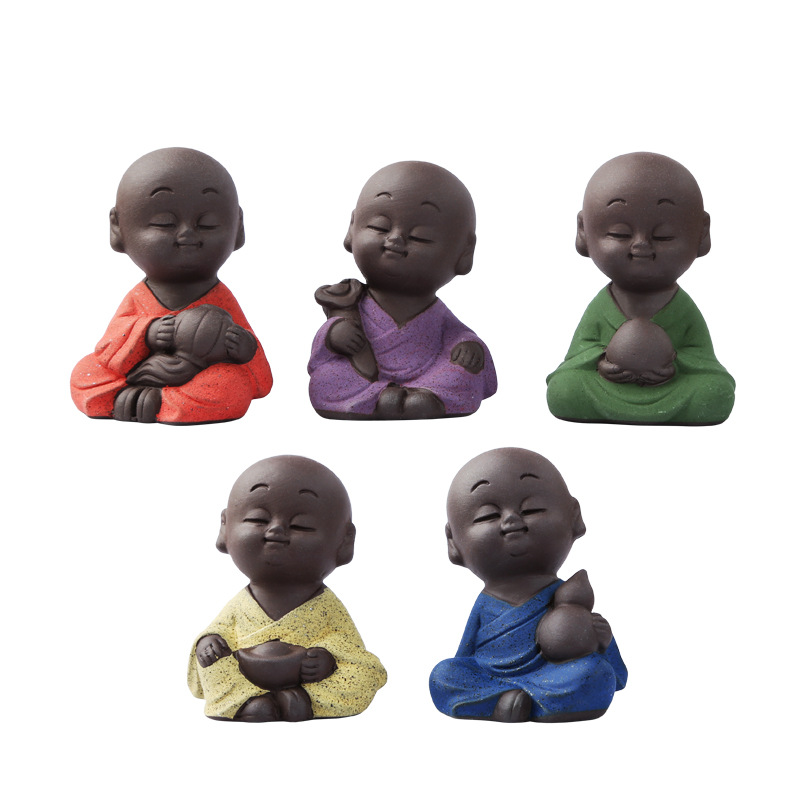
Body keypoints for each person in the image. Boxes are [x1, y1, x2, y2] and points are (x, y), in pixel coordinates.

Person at [71, 147, 272, 424]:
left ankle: (161, 402)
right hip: (140, 372)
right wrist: (148, 332)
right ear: (118, 229)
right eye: (164, 223)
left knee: (231, 383)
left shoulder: (219, 299)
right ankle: (132, 398)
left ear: (237, 227)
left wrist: (242, 347)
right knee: (86, 373)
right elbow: (108, 350)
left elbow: (260, 380)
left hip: (199, 376)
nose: (187, 234)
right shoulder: (139, 297)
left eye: (208, 224)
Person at [430, 448, 626, 723]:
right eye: (488, 516)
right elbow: (463, 658)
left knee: (595, 672)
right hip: (490, 675)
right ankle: (516, 700)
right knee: (443, 675)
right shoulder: (485, 604)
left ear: (574, 518)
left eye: (531, 509)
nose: (511, 521)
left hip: (554, 675)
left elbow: (617, 676)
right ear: (454, 543)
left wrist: (603, 641)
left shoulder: (568, 597)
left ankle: (508, 701)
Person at [188, 456, 387, 722]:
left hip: (306, 676)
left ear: (344, 542)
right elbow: (220, 629)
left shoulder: (326, 605)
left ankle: (305, 700)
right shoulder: (240, 604)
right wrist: (209, 642)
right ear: (225, 528)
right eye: (258, 519)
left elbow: (347, 645)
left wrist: (327, 659)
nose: (276, 531)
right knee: (210, 663)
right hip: (245, 670)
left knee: (363, 672)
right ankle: (247, 702)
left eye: (300, 525)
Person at [546, 152, 734, 425]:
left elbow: (702, 358)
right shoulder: (602, 306)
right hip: (608, 385)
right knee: (564, 389)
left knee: (715, 393)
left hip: (671, 387)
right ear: (583, 231)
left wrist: (675, 366)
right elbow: (579, 353)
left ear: (701, 234)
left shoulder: (683, 308)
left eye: (663, 236)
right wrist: (601, 362)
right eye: (620, 234)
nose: (641, 246)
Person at [308, 161, 497, 419]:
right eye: (379, 227)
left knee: (462, 375)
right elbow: (326, 344)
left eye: (420, 237)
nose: (395, 240)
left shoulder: (436, 313)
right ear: (352, 228)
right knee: (328, 378)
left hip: (429, 376)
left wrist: (469, 346)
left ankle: (423, 398)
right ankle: (384, 398)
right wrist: (333, 334)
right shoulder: (350, 299)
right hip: (363, 376)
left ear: (464, 253)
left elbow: (458, 334)